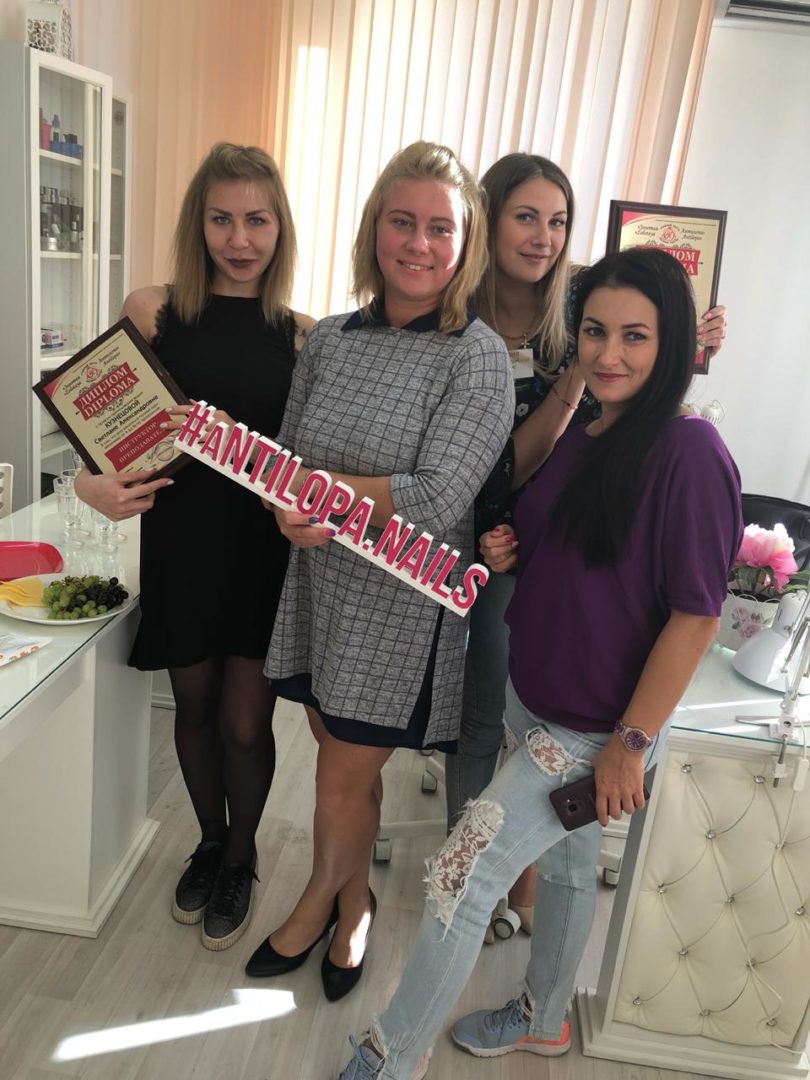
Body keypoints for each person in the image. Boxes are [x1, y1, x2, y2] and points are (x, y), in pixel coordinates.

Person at [337, 246, 743, 1078]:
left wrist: (630, 744)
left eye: (635, 336)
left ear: (673, 342)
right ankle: (545, 1018)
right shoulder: (592, 432)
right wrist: (512, 549)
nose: (608, 354)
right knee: (563, 866)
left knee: (460, 873)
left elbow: (697, 615)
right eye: (595, 331)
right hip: (536, 697)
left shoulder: (691, 452)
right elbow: (578, 551)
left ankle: (388, 1057)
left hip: (596, 729)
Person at [243, 141, 515, 1001]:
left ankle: (318, 902)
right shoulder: (330, 338)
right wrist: (282, 505)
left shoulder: (476, 355)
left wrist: (314, 491)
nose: (419, 243)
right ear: (374, 229)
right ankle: (355, 899)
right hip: (320, 586)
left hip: (400, 604)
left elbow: (437, 497)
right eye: (403, 221)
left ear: (465, 243)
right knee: (340, 761)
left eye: (441, 228)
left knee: (337, 776)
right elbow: (285, 460)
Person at [446, 152, 727, 933]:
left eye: (558, 221)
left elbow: (693, 608)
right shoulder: (458, 316)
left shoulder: (578, 313)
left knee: (538, 770)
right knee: (483, 718)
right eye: (525, 217)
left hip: (539, 551)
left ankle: (508, 888)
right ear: (489, 220)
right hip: (467, 533)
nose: (543, 236)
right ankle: (480, 877)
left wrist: (676, 346)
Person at [75, 143, 314, 950]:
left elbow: (314, 461)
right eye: (221, 219)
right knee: (195, 708)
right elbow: (99, 426)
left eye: (256, 220)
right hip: (180, 541)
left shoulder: (303, 336)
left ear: (280, 227)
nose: (239, 239)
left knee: (245, 724)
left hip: (260, 552)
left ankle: (242, 859)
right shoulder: (153, 310)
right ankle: (209, 843)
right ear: (197, 223)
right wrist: (89, 485)